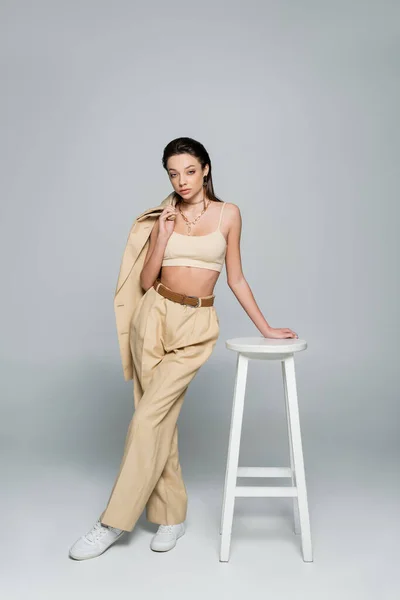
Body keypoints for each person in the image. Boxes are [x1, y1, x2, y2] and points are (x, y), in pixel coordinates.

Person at [69, 137, 298, 560]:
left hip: (196, 323)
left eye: (189, 171)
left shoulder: (229, 215)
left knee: (146, 419)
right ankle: (172, 515)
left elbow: (236, 279)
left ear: (206, 169)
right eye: (173, 173)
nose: (182, 180)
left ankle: (112, 522)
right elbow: (144, 280)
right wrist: (162, 233)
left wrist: (265, 327)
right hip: (153, 316)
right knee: (159, 421)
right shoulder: (165, 215)